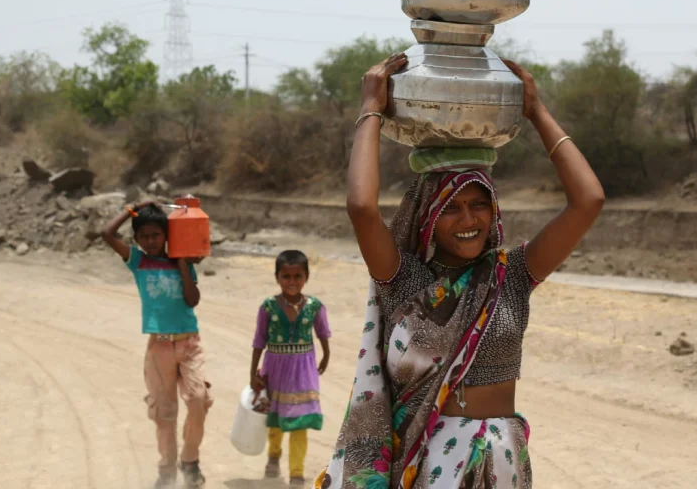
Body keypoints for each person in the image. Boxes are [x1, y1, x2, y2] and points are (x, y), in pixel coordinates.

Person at [314, 53, 605, 489]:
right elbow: (361, 208)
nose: (469, 220)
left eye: (478, 203)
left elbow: (589, 201)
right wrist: (371, 109)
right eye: (451, 208)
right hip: (434, 464)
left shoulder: (513, 276)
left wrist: (536, 111)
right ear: (427, 215)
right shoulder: (405, 281)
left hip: (503, 459)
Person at [101, 201, 211, 489]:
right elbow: (107, 233)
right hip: (158, 347)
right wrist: (132, 209)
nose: (151, 241)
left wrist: (183, 264)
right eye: (145, 236)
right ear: (137, 239)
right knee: (164, 414)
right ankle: (166, 471)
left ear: (167, 235)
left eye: (156, 235)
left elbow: (192, 300)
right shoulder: (138, 261)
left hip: (189, 342)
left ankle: (190, 461)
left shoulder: (181, 259)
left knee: (198, 399)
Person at [250, 250, 332, 486]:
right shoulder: (267, 307)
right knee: (275, 419)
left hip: (304, 369)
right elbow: (259, 340)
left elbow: (323, 333)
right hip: (274, 368)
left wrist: (326, 355)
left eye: (298, 276)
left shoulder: (315, 306)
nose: (292, 282)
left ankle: (297, 471)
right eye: (286, 276)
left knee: (301, 420)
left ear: (306, 277)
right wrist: (252, 372)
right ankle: (273, 457)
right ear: (277, 277)